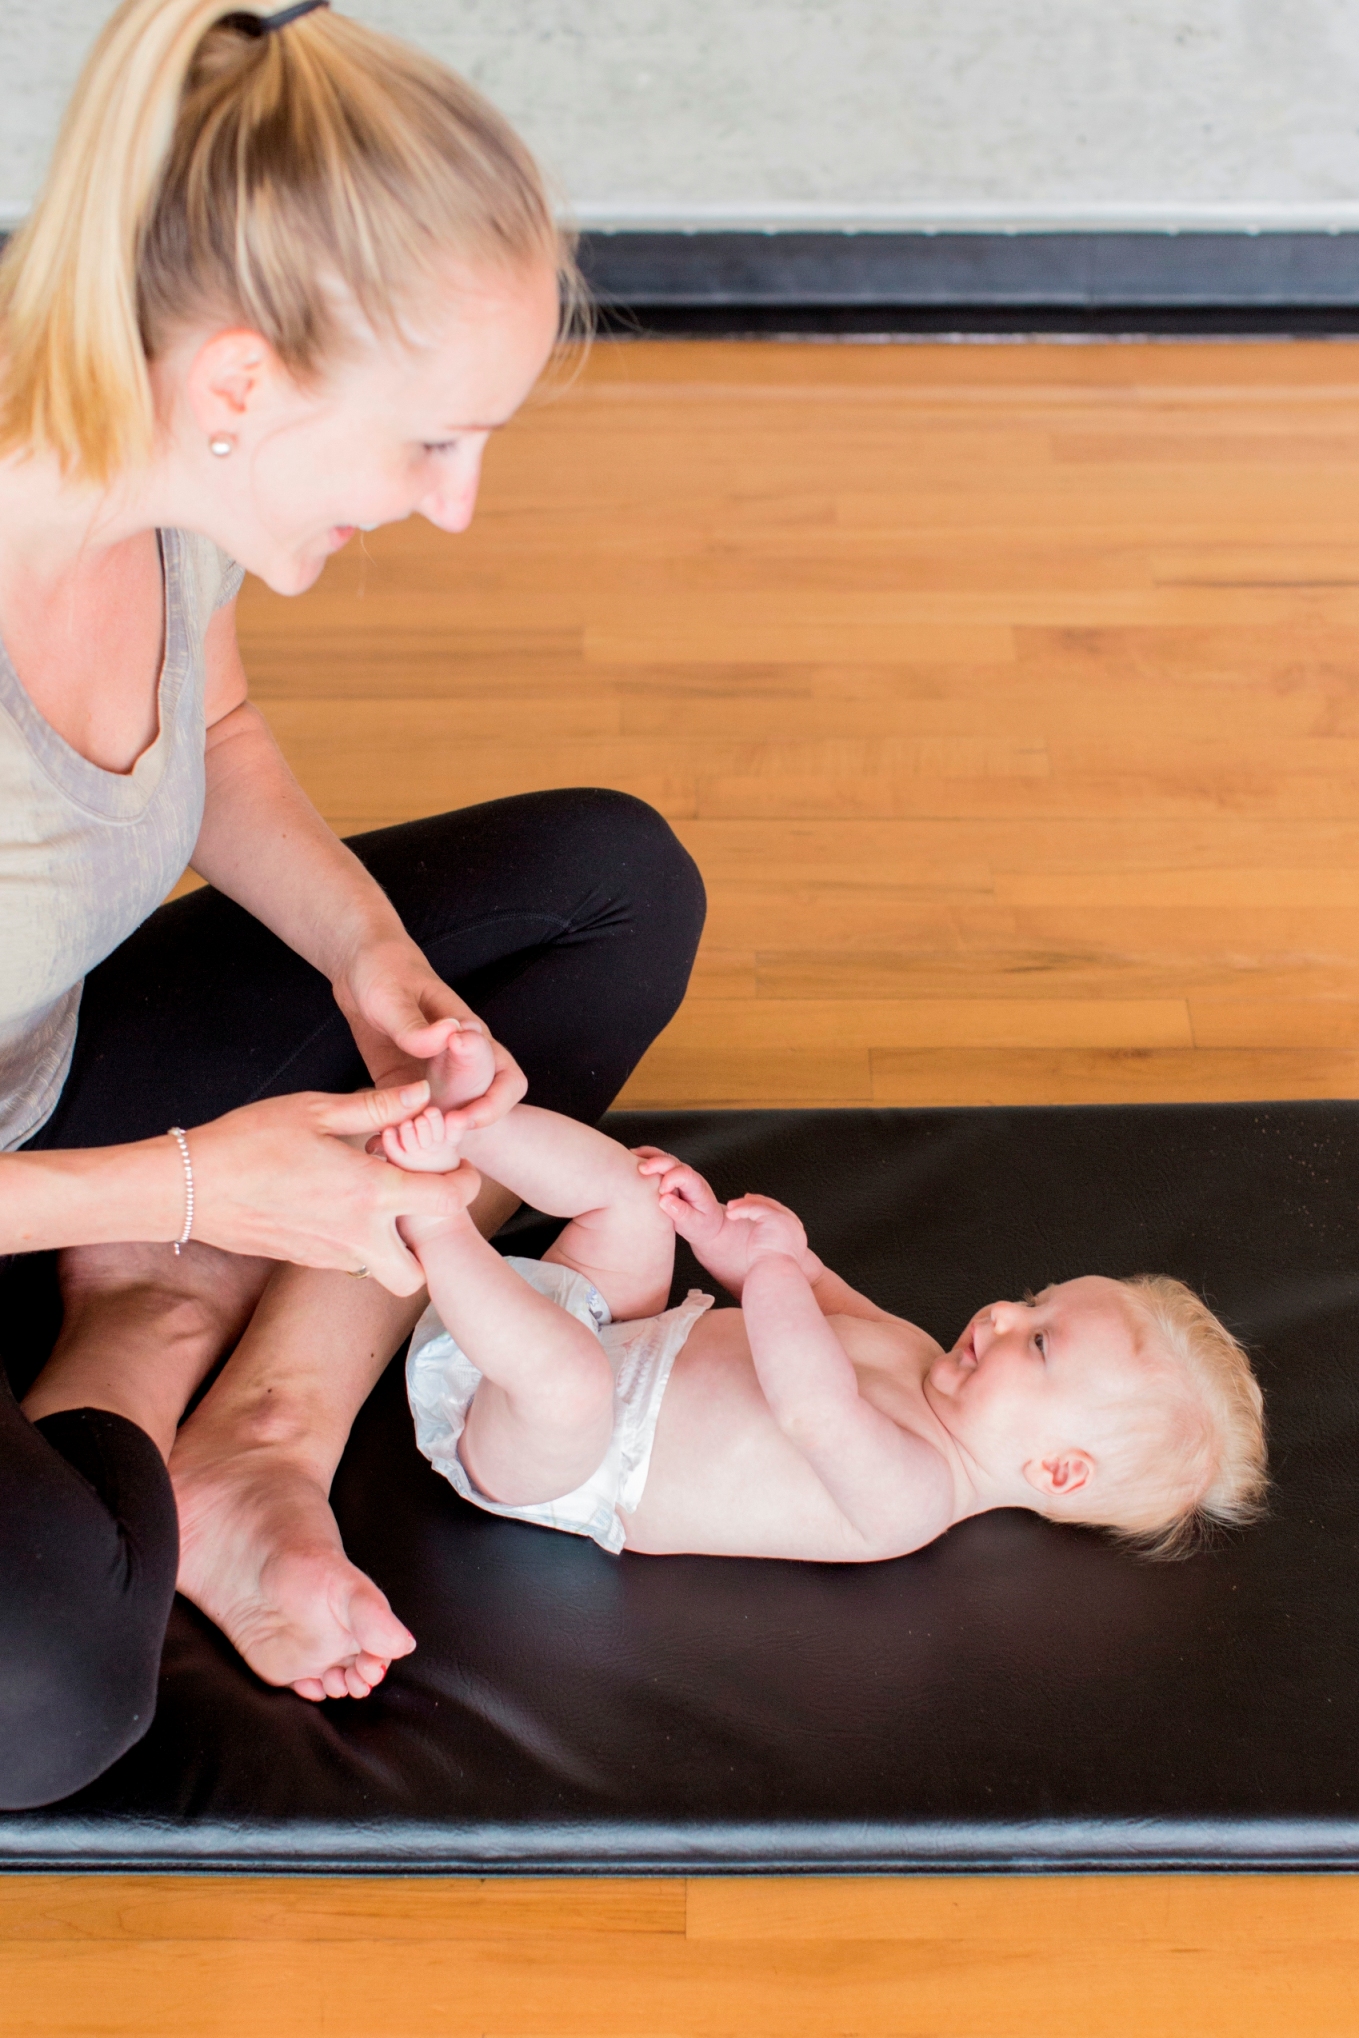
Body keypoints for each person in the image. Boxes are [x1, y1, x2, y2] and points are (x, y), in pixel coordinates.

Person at [0, 0, 704, 1809]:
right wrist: (196, 1186)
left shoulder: (139, 417)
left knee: (602, 892)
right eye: (428, 445)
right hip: (78, 1159)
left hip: (36, 1068)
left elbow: (210, 724)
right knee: (41, 1692)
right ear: (243, 384)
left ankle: (258, 1441)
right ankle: (139, 1327)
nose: (456, 509)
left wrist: (371, 960)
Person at [393, 1034, 1268, 1563]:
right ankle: (471, 1117)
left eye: (1037, 1344)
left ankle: (427, 1212)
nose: (1004, 1313)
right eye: (1035, 1301)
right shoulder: (920, 1355)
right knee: (631, 1193)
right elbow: (818, 1294)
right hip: (605, 1325)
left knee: (571, 1382)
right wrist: (740, 1250)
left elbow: (812, 1402)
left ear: (1057, 1471)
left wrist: (772, 1279)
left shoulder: (913, 1498)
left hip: (545, 1450)